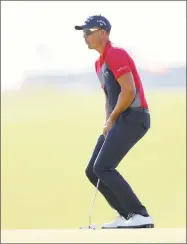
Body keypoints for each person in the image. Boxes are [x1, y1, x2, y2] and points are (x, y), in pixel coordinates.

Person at [74, 15, 154, 229]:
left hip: (135, 116)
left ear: (103, 33)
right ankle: (127, 215)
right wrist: (108, 122)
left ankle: (140, 214)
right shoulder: (99, 63)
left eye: (88, 32)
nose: (84, 37)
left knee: (104, 166)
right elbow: (110, 96)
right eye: (83, 33)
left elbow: (129, 92)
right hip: (120, 118)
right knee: (92, 170)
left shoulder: (116, 54)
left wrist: (112, 118)